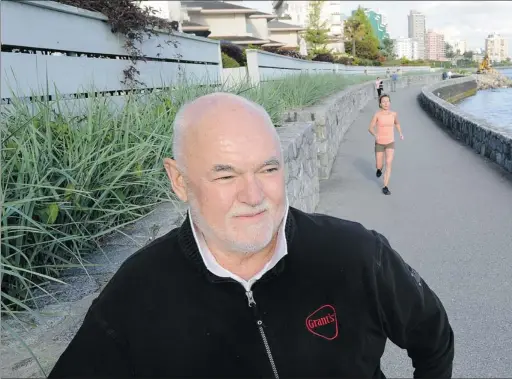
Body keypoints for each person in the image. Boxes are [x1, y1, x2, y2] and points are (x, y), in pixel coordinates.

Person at [48, 92, 454, 378]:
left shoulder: (356, 254)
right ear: (179, 180)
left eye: (268, 169)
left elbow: (433, 337)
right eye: (225, 174)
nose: (254, 196)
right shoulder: (135, 296)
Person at [368, 94, 403, 195]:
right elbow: (370, 128)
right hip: (379, 143)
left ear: (390, 102)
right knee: (379, 164)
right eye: (383, 101)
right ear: (380, 104)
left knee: (389, 163)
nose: (386, 103)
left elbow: (397, 123)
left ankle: (385, 186)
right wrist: (375, 135)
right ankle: (379, 169)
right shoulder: (377, 115)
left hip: (390, 142)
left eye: (388, 101)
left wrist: (400, 132)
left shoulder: (393, 114)